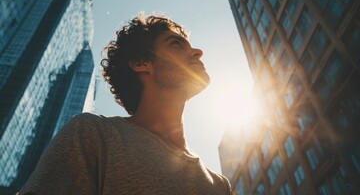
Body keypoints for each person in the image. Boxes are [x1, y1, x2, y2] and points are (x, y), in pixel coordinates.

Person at [19, 14, 231, 194]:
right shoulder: (93, 134)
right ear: (141, 63)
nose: (197, 52)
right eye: (175, 44)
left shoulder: (220, 185)